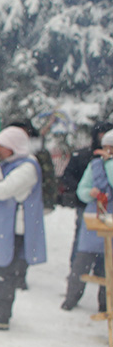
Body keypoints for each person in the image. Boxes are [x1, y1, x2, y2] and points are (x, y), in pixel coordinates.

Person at [0, 126, 47, 330]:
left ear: (14, 147)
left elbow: (1, 191)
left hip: (15, 230)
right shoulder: (6, 164)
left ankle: (1, 316)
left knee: (4, 272)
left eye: (2, 146)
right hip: (0, 228)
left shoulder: (28, 167)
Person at [61, 130, 113, 312]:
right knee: (81, 262)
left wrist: (109, 165)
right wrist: (89, 193)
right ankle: (72, 297)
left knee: (109, 266)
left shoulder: (104, 165)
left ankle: (106, 303)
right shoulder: (95, 165)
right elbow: (82, 190)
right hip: (94, 217)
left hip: (111, 221)